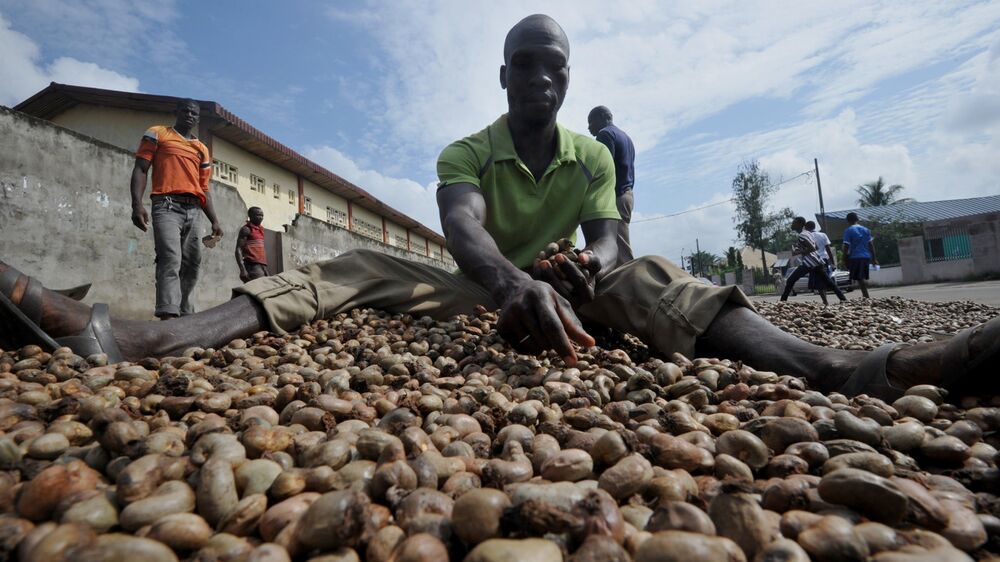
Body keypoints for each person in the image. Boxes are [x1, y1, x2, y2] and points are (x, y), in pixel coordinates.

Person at [2, 15, 999, 402]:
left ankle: (849, 367)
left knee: (643, 275)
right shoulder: (467, 149)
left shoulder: (590, 153)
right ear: (503, 74)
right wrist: (514, 281)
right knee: (349, 269)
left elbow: (608, 235)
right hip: (484, 289)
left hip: (566, 293)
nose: (538, 80)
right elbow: (464, 231)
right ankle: (127, 335)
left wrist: (574, 269)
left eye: (553, 68)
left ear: (566, 81)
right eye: (524, 66)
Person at [130, 99, 223, 319]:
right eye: (186, 111)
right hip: (166, 205)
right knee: (170, 257)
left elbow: (204, 188)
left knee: (192, 262)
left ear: (198, 118)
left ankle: (185, 313)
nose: (190, 116)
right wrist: (137, 204)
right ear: (176, 112)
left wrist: (215, 220)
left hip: (194, 210)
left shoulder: (201, 148)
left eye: (194, 113)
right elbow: (141, 169)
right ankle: (168, 314)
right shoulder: (157, 133)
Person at [588, 106, 635, 266]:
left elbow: (602, 169)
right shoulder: (626, 137)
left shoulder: (605, 134)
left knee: (617, 247)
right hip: (627, 194)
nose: (589, 128)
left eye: (591, 122)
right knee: (620, 241)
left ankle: (630, 282)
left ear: (602, 117)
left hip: (615, 197)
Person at [780, 217, 846, 305]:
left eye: (793, 223)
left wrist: (799, 252)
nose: (792, 224)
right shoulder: (808, 233)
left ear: (799, 224)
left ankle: (782, 302)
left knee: (790, 280)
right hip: (817, 261)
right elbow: (816, 247)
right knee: (829, 282)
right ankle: (843, 299)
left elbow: (812, 248)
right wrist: (799, 250)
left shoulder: (802, 235)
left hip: (809, 263)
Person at [843, 212, 878, 298]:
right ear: (857, 219)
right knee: (860, 277)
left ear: (848, 221)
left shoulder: (848, 230)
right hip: (866, 256)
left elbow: (846, 246)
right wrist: (874, 258)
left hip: (855, 256)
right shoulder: (866, 230)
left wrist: (844, 258)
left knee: (859, 277)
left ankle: (866, 296)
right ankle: (865, 295)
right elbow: (871, 245)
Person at [236, 207, 269, 282]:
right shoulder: (246, 229)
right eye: (258, 215)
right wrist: (242, 270)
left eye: (262, 215)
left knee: (266, 289)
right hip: (252, 266)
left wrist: (265, 268)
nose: (261, 217)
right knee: (258, 289)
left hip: (262, 265)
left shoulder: (261, 229)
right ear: (251, 216)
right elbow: (238, 249)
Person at [805, 220, 835, 292]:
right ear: (814, 227)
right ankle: (833, 293)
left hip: (813, 261)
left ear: (806, 228)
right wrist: (833, 263)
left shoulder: (807, 237)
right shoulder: (823, 235)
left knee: (818, 282)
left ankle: (824, 300)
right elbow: (828, 250)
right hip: (824, 259)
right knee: (825, 279)